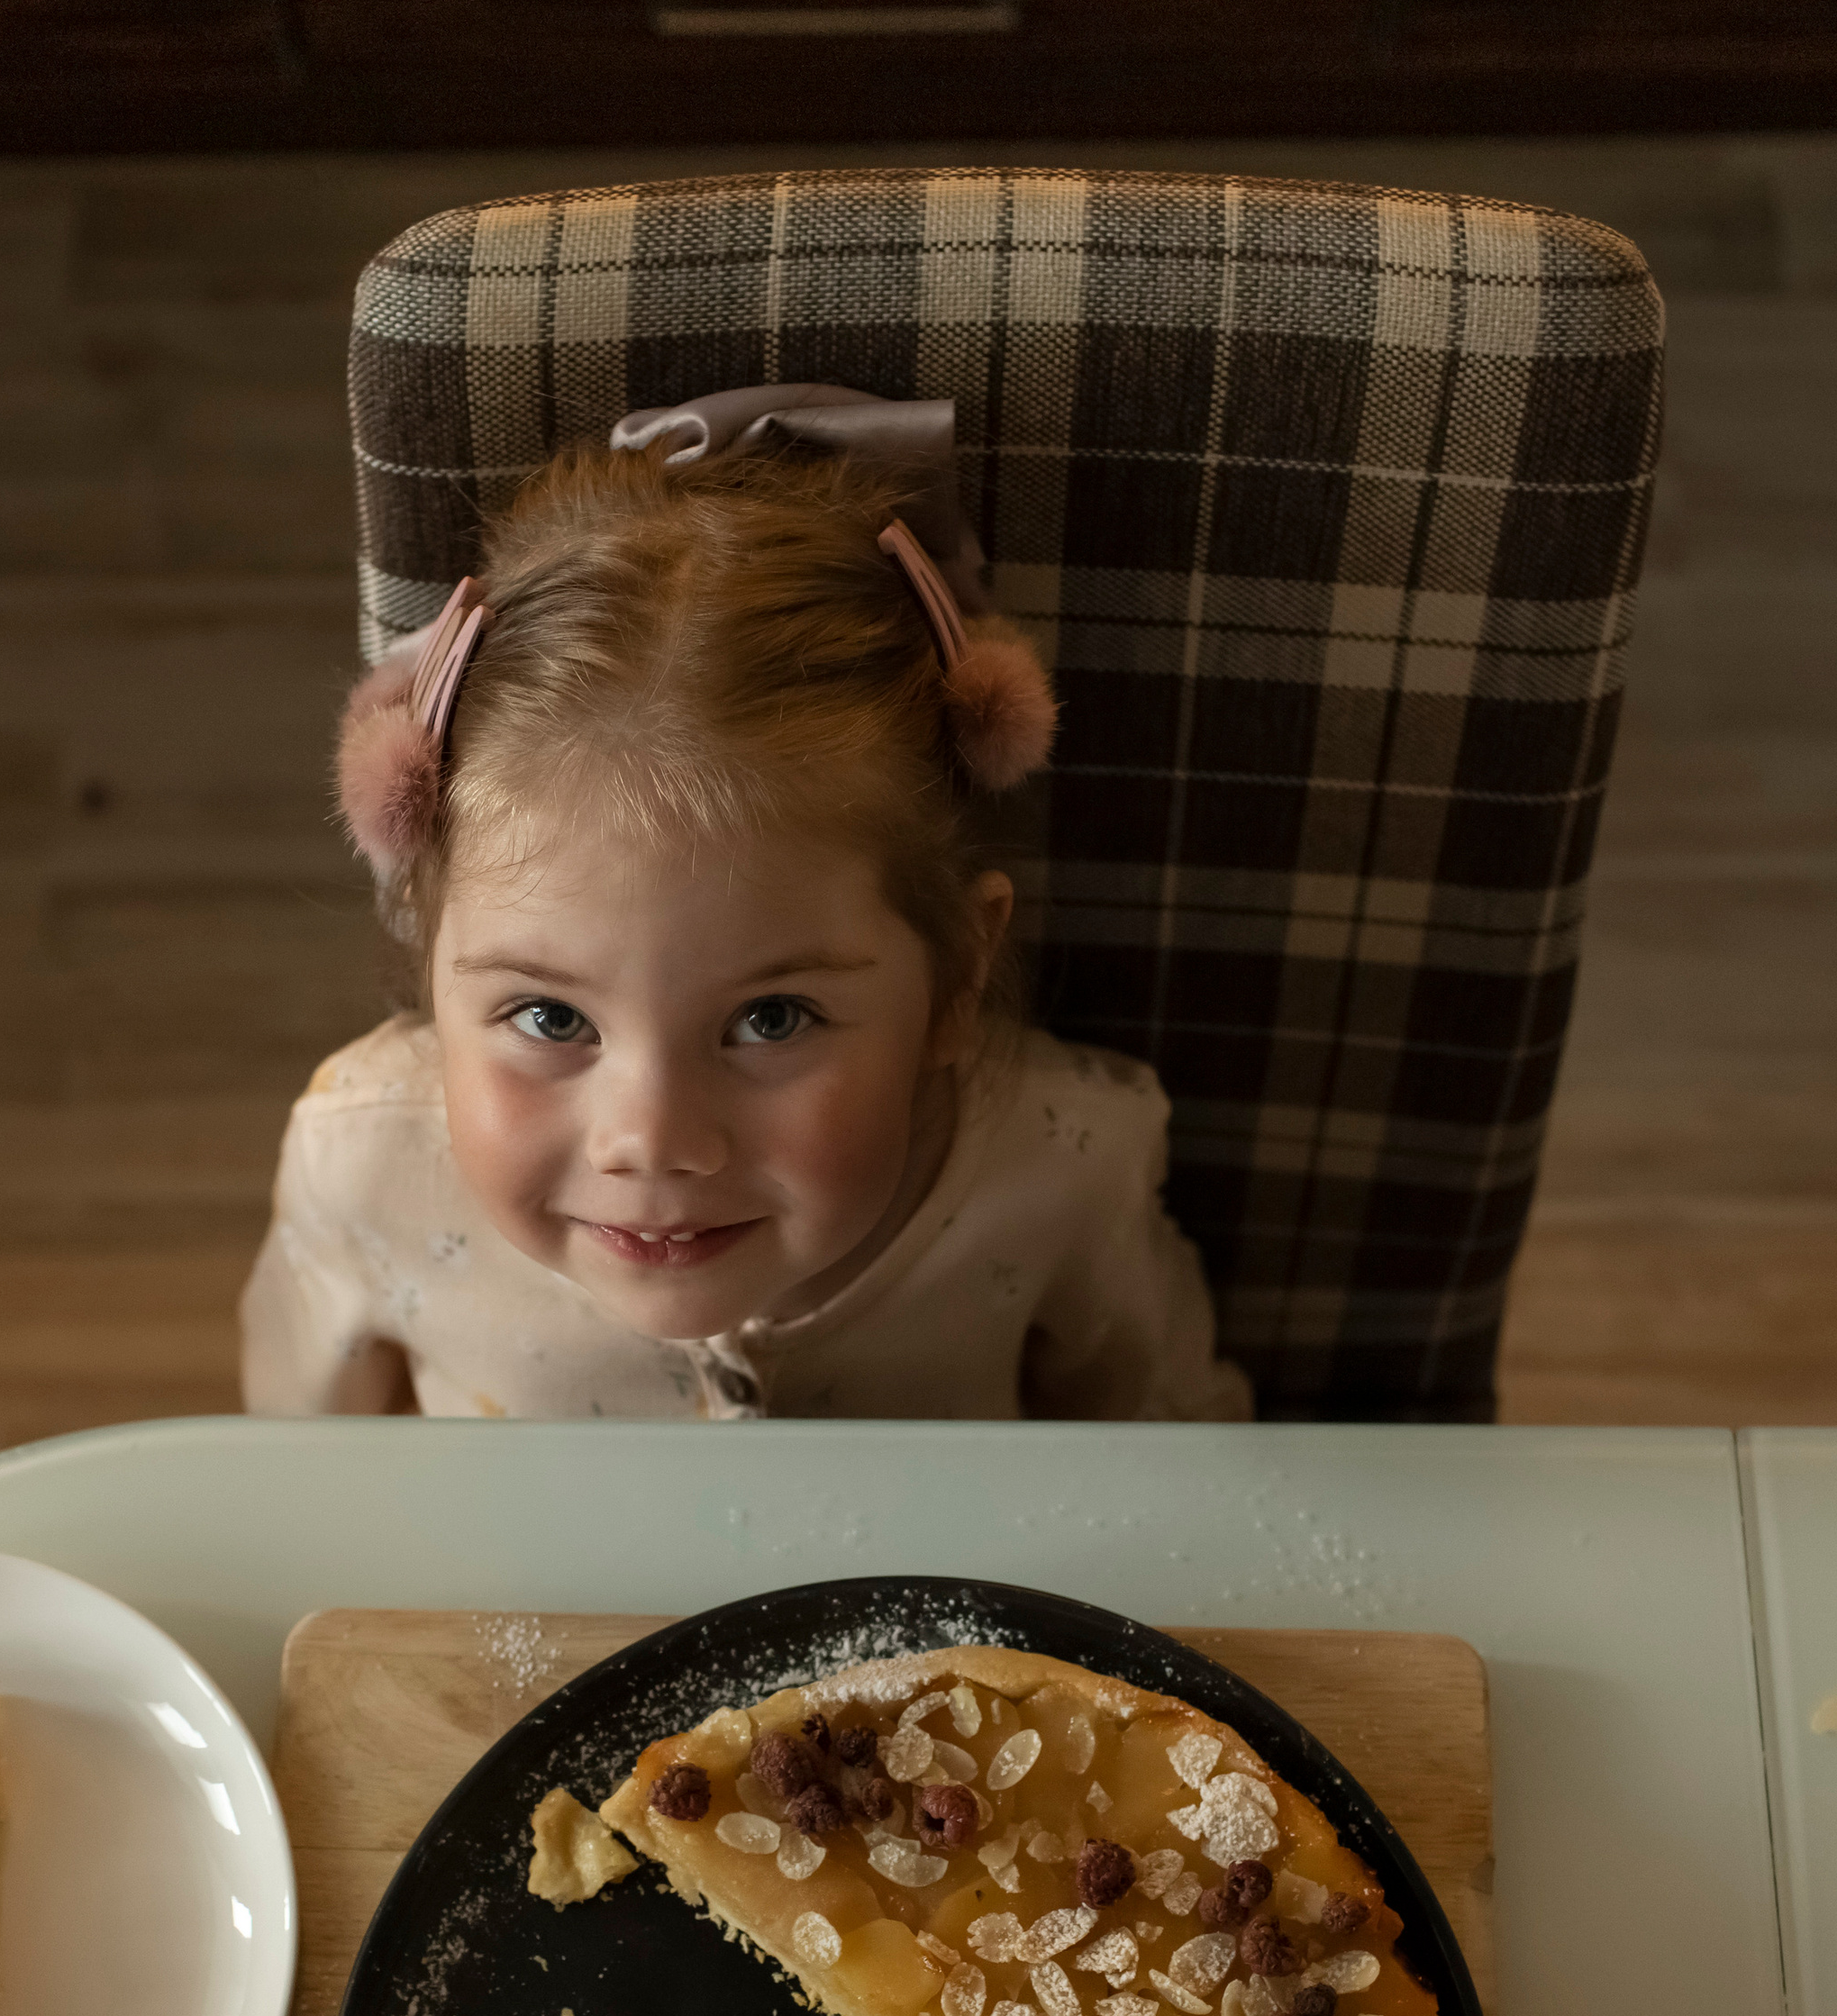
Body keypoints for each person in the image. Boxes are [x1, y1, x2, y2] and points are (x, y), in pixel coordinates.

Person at [240, 388, 1249, 1425]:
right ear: (429, 958)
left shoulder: (1061, 1168)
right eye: (550, 1017)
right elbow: (296, 1487)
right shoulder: (361, 1166)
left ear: (956, 977)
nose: (652, 1139)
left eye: (771, 1018)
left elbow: (1183, 1470)